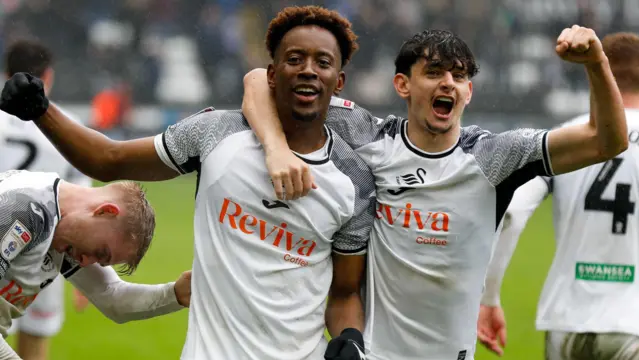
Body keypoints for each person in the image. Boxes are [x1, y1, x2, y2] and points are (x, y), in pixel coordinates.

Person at [0, 6, 375, 360]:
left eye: (323, 63)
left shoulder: (354, 180)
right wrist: (42, 111)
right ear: (271, 74)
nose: (309, 70)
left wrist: (350, 339)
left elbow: (344, 294)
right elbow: (108, 159)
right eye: (294, 59)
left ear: (339, 81)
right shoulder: (215, 135)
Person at [239, 26, 628, 359]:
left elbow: (608, 142)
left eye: (459, 76)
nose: (448, 83)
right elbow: (260, 80)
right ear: (402, 84)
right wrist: (275, 149)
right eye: (435, 72)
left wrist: (596, 63)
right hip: (371, 353)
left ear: (469, 92)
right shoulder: (370, 138)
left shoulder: (494, 157)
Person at [478, 32, 639, 360]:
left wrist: (489, 298)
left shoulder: (563, 139)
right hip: (633, 322)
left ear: (594, 72)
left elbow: (512, 212)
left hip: (565, 320)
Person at [0, 169, 191, 360]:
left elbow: (111, 297)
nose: (85, 262)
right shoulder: (22, 208)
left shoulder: (63, 221)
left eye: (100, 260)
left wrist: (175, 294)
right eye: (100, 252)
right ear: (105, 211)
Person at [0, 38, 91, 360]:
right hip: (44, 253)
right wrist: (85, 274)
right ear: (48, 76)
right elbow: (84, 206)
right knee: (35, 345)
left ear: (6, 73)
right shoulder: (70, 128)